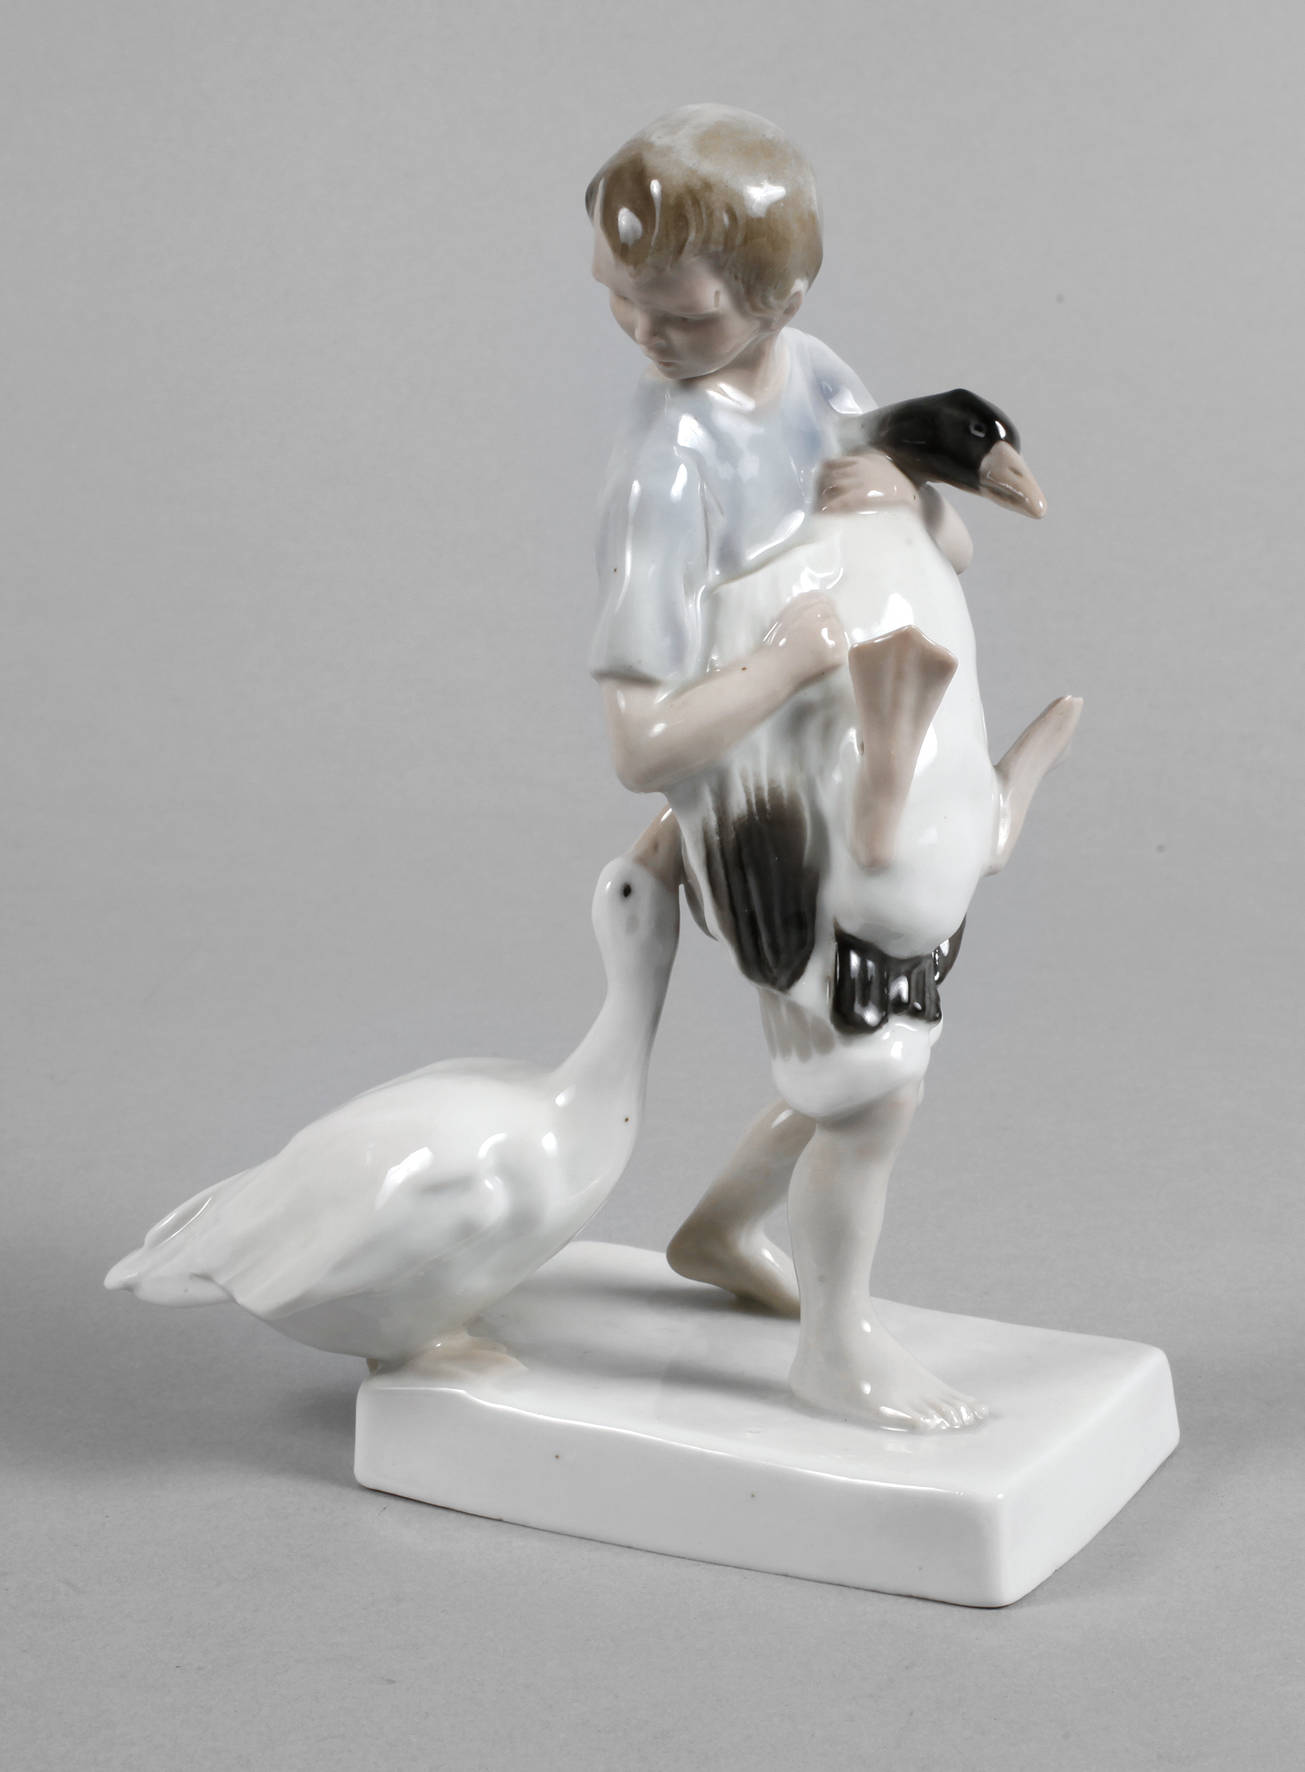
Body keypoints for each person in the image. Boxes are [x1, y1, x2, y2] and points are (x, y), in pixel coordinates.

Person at [586, 106, 973, 1327]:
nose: (646, 334)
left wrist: (910, 493)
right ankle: (837, 1348)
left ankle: (718, 1230)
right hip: (770, 819)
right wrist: (782, 662)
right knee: (877, 1084)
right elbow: (640, 745)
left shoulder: (821, 376)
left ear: (782, 299)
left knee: (870, 1049)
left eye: (682, 314)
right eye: (619, 299)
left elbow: (949, 546)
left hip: (873, 770)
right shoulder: (665, 471)